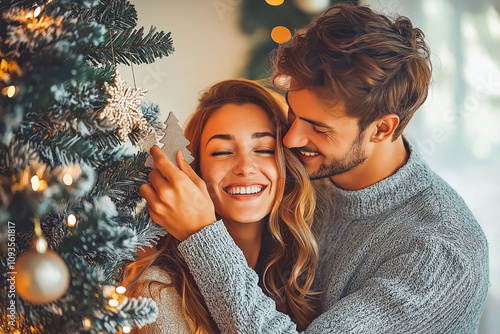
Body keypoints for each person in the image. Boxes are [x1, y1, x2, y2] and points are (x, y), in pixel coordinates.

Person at [143, 4, 489, 333]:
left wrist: (201, 235)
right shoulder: (305, 178)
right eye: (292, 113)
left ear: (382, 128)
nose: (291, 139)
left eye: (319, 128)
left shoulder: (440, 254)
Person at [124, 79, 320, 333]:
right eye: (222, 152)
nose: (245, 167)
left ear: (287, 165)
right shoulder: (157, 288)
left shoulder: (299, 267)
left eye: (264, 149)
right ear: (195, 170)